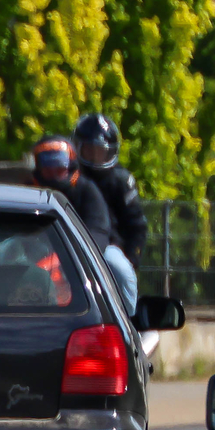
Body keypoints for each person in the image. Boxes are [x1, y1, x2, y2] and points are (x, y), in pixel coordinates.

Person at [72, 112, 148, 310]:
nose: (96, 157)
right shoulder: (71, 177)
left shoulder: (121, 180)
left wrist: (131, 259)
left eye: (101, 151)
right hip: (68, 241)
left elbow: (136, 226)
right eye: (90, 150)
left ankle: (130, 323)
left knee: (120, 270)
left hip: (108, 247)